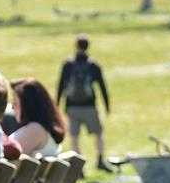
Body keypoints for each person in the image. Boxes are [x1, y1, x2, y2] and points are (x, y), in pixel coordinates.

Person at [56, 35, 111, 172]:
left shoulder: (68, 64)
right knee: (98, 133)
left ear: (76, 46)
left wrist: (57, 104)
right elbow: (102, 86)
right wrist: (107, 105)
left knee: (74, 136)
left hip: (72, 106)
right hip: (89, 106)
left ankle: (78, 166)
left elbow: (61, 85)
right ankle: (100, 160)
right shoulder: (93, 65)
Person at [10, 77, 65, 158]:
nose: (12, 107)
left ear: (28, 106)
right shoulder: (41, 128)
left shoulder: (35, 130)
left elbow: (7, 161)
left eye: (15, 103)